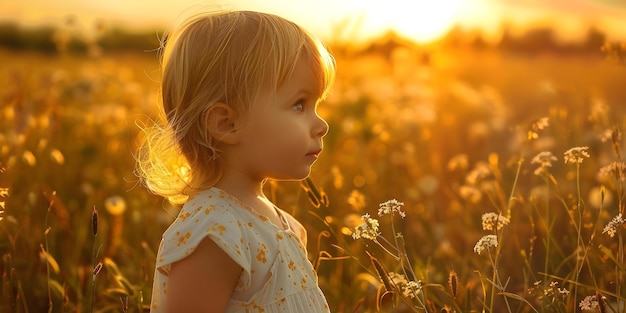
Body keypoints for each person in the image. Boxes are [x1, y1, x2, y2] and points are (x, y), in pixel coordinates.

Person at [135, 9, 335, 313]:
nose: (321, 125)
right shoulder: (215, 234)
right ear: (226, 124)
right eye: (299, 105)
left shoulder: (282, 225)